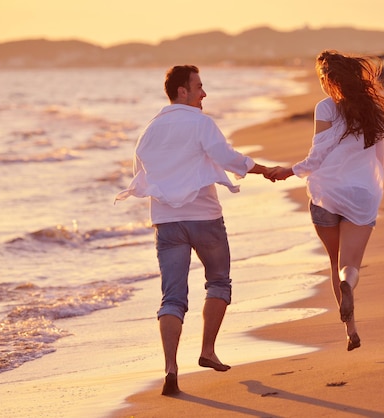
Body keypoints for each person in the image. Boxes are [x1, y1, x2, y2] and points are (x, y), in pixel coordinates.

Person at [114, 65, 273, 395]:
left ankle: (171, 368)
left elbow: (141, 172)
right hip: (204, 218)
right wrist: (265, 170)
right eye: (198, 87)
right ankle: (207, 350)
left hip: (166, 221)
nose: (204, 93)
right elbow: (226, 157)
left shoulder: (150, 130)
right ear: (181, 91)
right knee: (218, 281)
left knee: (172, 297)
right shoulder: (201, 122)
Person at [269, 50, 384, 351]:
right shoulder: (373, 109)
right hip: (361, 194)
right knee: (349, 265)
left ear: (328, 80)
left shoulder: (326, 107)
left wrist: (290, 171)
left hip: (327, 193)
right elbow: (382, 157)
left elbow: (319, 153)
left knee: (333, 261)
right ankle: (349, 282)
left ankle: (350, 330)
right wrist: (373, 184)